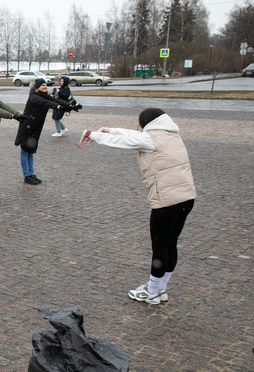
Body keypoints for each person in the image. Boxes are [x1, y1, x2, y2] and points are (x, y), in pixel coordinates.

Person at [77, 108, 196, 305]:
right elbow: (135, 136)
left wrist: (93, 135)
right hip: (186, 199)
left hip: (166, 202)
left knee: (159, 248)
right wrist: (110, 129)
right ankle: (160, 289)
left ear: (146, 123)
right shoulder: (171, 135)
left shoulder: (150, 139)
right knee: (170, 244)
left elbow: (123, 141)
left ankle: (151, 291)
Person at [15, 78, 80, 185]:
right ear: (37, 87)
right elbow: (46, 103)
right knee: (25, 150)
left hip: (36, 126)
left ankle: (31, 174)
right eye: (42, 85)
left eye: (46, 85)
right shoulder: (34, 96)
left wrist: (69, 106)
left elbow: (56, 100)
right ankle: (27, 175)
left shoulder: (44, 95)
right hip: (27, 126)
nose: (45, 86)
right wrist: (59, 107)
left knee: (31, 151)